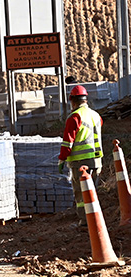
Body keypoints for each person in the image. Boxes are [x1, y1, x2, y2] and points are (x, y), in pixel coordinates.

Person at [58, 84, 103, 224]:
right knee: (93, 192)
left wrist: (61, 160)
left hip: (80, 162)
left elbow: (68, 142)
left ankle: (85, 221)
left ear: (73, 100)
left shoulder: (75, 117)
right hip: (96, 161)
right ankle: (96, 220)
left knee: (81, 193)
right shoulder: (96, 115)